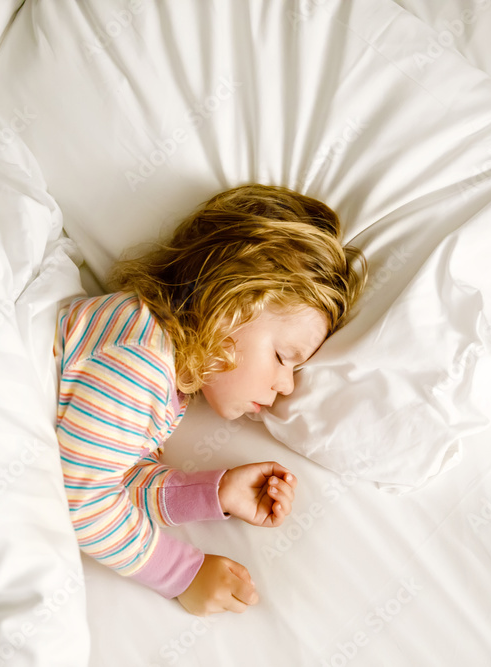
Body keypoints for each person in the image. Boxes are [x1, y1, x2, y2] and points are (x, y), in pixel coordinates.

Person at [54, 184, 365, 616]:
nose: (287, 386)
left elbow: (114, 478)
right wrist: (182, 573)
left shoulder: (165, 378)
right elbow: (83, 498)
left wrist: (215, 493)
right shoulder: (139, 357)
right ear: (230, 304)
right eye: (282, 357)